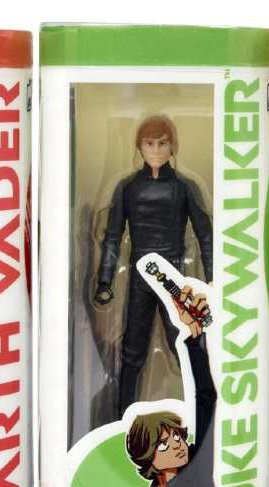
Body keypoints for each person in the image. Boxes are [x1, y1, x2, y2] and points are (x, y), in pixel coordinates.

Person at [94, 115, 213, 421]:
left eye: (162, 143)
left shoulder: (184, 187)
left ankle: (204, 414)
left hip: (173, 276)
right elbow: (112, 236)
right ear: (139, 147)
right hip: (140, 277)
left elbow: (205, 234)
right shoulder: (127, 188)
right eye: (150, 144)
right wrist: (105, 280)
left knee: (185, 346)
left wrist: (213, 279)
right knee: (132, 353)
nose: (156, 150)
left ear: (173, 146)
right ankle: (123, 422)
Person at [125, 287, 216, 487]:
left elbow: (207, 399)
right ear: (147, 457)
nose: (177, 444)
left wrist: (195, 339)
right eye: (163, 444)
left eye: (176, 436)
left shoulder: (199, 468)